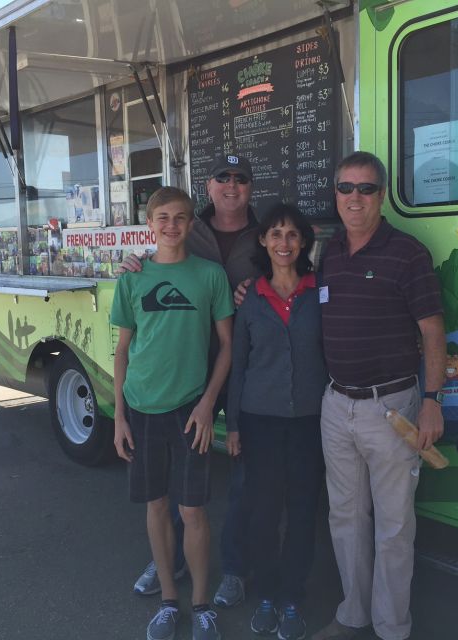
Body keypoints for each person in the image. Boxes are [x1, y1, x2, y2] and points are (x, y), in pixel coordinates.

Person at [312, 151, 446, 640]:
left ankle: (392, 628)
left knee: (393, 526)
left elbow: (432, 331)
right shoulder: (328, 252)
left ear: (382, 196)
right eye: (346, 188)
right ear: (336, 194)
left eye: (366, 189)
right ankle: (354, 614)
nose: (355, 198)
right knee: (345, 516)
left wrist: (432, 399)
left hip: (392, 408)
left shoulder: (407, 253)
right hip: (336, 404)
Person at [127, 154, 261, 608]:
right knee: (179, 483)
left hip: (243, 369)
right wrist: (136, 264)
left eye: (240, 179)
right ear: (208, 186)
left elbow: (293, 275)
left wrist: (258, 290)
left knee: (243, 471)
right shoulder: (189, 224)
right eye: (222, 178)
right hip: (185, 376)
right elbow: (163, 261)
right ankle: (173, 559)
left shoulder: (267, 234)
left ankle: (236, 568)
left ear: (249, 188)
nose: (231, 186)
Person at [111, 186, 234, 640]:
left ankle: (202, 605)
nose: (171, 226)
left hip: (189, 412)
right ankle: (168, 600)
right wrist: (119, 416)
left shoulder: (210, 275)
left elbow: (226, 346)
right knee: (156, 507)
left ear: (191, 224)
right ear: (149, 223)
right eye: (162, 217)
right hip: (141, 410)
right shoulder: (132, 277)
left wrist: (207, 404)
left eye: (180, 217)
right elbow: (122, 352)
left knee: (194, 511)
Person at [226, 203, 327, 640]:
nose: (283, 243)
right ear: (263, 241)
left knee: (304, 512)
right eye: (275, 234)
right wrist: (231, 426)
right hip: (259, 421)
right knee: (263, 513)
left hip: (310, 421)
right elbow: (239, 364)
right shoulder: (251, 298)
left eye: (292, 235)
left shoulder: (320, 291)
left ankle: (291, 596)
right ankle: (265, 592)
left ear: (303, 242)